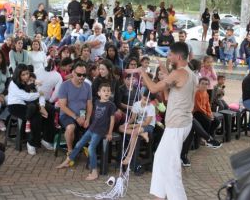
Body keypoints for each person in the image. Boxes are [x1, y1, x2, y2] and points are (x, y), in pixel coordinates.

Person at [128, 42, 197, 199]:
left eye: (170, 54)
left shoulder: (179, 73)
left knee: (171, 165)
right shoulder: (189, 72)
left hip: (177, 125)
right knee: (160, 159)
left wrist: (142, 72)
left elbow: (152, 89)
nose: (168, 56)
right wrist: (166, 76)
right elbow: (167, 97)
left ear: (178, 56)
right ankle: (159, 195)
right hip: (180, 123)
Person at [56, 83, 115, 180]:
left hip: (100, 131)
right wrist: (86, 120)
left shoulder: (111, 105)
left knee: (91, 148)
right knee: (79, 144)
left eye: (108, 91)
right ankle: (68, 160)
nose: (107, 92)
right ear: (99, 93)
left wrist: (109, 133)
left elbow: (112, 120)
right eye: (104, 90)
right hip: (92, 128)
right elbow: (91, 114)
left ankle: (94, 171)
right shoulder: (96, 102)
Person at [7, 64, 55, 155]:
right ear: (18, 75)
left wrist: (42, 106)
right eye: (23, 75)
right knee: (36, 115)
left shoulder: (31, 80)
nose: (26, 76)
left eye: (27, 74)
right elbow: (27, 96)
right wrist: (39, 95)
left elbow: (41, 94)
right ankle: (31, 143)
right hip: (16, 106)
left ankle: (46, 139)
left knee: (51, 109)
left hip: (31, 104)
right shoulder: (13, 84)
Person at [58, 61, 93, 153]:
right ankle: (70, 151)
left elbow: (89, 104)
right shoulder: (64, 86)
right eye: (79, 74)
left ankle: (91, 151)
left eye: (84, 75)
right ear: (73, 73)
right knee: (70, 127)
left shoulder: (88, 86)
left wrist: (87, 118)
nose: (82, 77)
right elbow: (62, 106)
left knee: (98, 125)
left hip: (82, 113)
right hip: (67, 115)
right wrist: (76, 117)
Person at [119, 89, 156, 165]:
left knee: (135, 131)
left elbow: (146, 123)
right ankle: (142, 134)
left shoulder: (151, 107)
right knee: (120, 128)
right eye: (145, 99)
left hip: (149, 126)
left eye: (148, 101)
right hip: (138, 125)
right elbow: (132, 119)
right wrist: (126, 124)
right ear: (142, 96)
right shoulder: (136, 104)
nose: (146, 102)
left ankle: (128, 157)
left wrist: (132, 126)